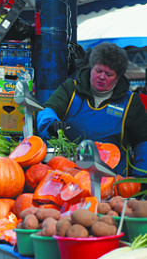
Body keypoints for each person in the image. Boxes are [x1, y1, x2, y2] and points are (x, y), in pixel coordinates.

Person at [37, 42, 147, 178]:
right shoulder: (70, 88)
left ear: (118, 78)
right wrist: (50, 123)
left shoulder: (131, 102)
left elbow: (142, 142)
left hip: (112, 180)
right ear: (91, 68)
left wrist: (140, 177)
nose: (102, 77)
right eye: (98, 71)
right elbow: (47, 110)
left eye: (109, 74)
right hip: (69, 175)